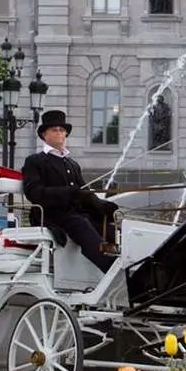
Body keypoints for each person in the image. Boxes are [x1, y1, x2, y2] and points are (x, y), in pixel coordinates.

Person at [22, 110, 118, 273]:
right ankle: (110, 268)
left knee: (109, 228)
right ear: (44, 135)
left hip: (76, 214)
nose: (59, 133)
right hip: (51, 215)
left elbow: (84, 192)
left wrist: (101, 205)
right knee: (81, 224)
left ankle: (127, 264)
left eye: (62, 130)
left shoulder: (72, 164)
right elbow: (34, 192)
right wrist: (68, 193)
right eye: (54, 130)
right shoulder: (35, 161)